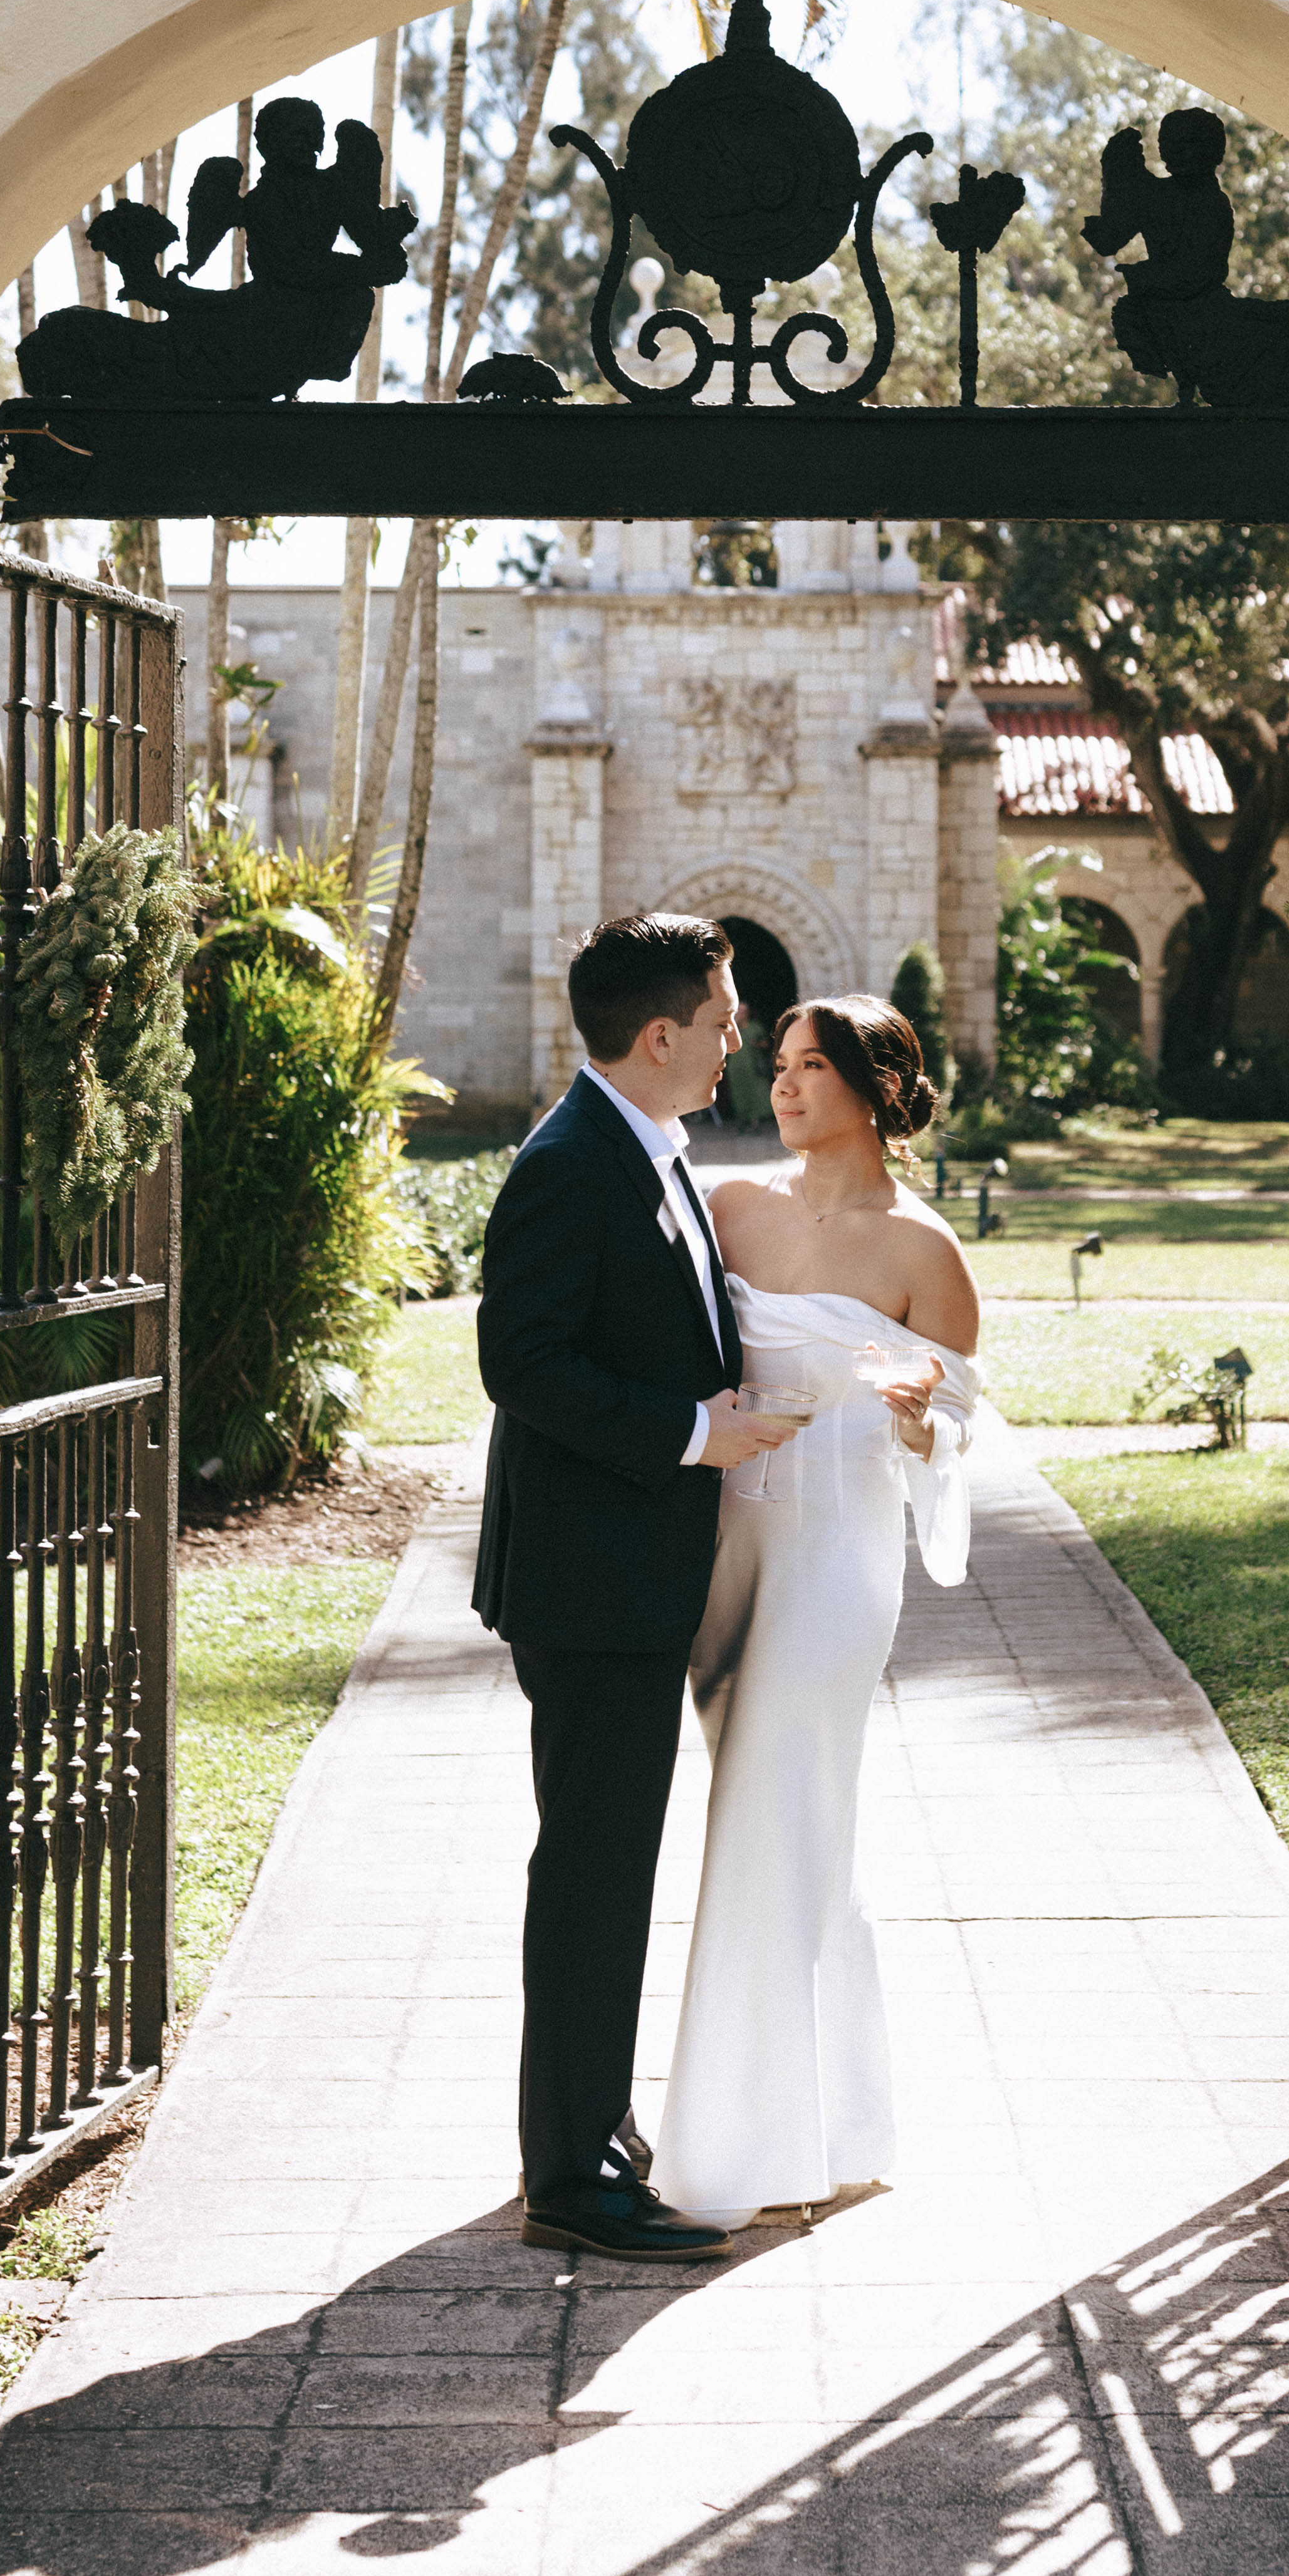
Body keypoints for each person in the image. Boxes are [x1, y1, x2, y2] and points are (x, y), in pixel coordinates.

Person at [472, 911, 798, 2261]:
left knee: (609, 1864)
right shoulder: (570, 1164)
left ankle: (590, 2128)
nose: (740, 1042)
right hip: (587, 1578)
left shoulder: (645, 1147)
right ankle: (572, 2178)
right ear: (660, 1036)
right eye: (725, 1023)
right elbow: (524, 1363)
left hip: (624, 1573)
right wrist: (691, 1433)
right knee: (596, 1873)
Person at [657, 995, 984, 2231]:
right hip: (725, 1554)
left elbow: (954, 1427)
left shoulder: (923, 1254)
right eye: (778, 1065)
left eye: (809, 1069)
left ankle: (737, 2146)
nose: (781, 1086)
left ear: (874, 1087)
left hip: (840, 1563)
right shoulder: (731, 1209)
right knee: (785, 1829)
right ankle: (831, 2120)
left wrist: (918, 1417)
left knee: (770, 1814)